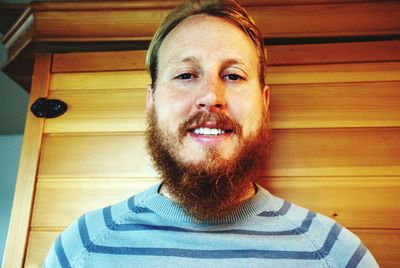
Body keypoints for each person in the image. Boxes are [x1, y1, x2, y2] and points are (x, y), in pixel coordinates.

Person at [44, 0, 379, 267]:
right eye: (186, 74)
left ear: (264, 103)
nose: (211, 96)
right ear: (151, 101)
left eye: (233, 76)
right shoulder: (81, 248)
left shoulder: (336, 254)